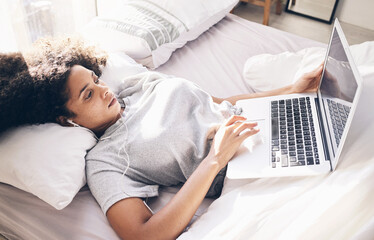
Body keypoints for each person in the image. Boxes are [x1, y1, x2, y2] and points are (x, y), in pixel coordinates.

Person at [0, 37, 323, 240]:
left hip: (267, 126)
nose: (104, 90)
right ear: (67, 121)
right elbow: (141, 235)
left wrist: (290, 91)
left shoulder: (135, 87)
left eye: (96, 80)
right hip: (247, 171)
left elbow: (216, 101)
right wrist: (214, 160)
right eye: (88, 95)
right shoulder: (105, 161)